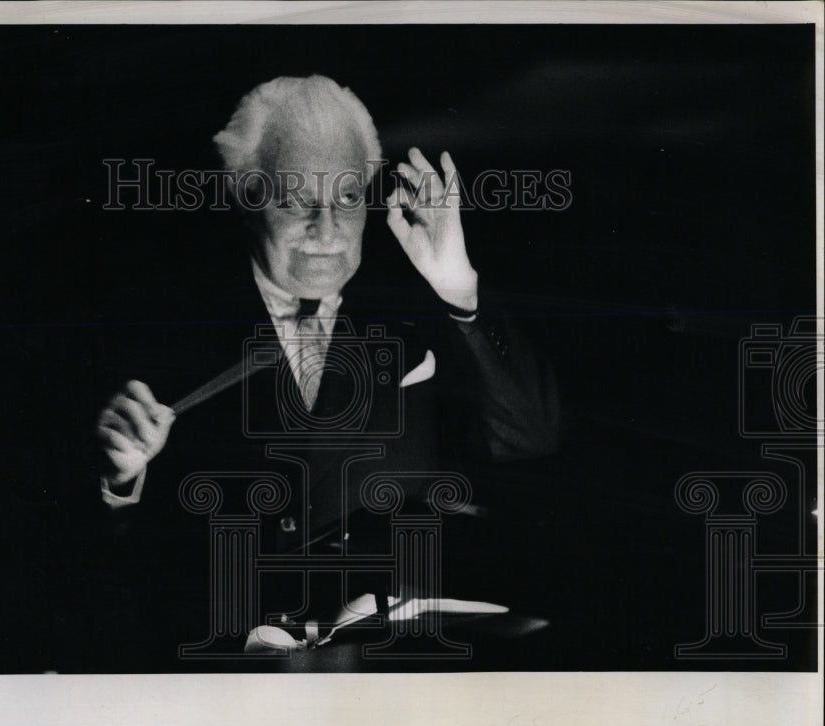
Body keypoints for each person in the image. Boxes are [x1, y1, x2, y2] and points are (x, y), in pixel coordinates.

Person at [88, 75, 559, 664]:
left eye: (345, 199)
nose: (327, 230)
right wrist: (120, 482)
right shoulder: (160, 331)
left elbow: (530, 436)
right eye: (295, 200)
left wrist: (458, 288)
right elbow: (99, 561)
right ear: (247, 198)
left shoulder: (422, 314)